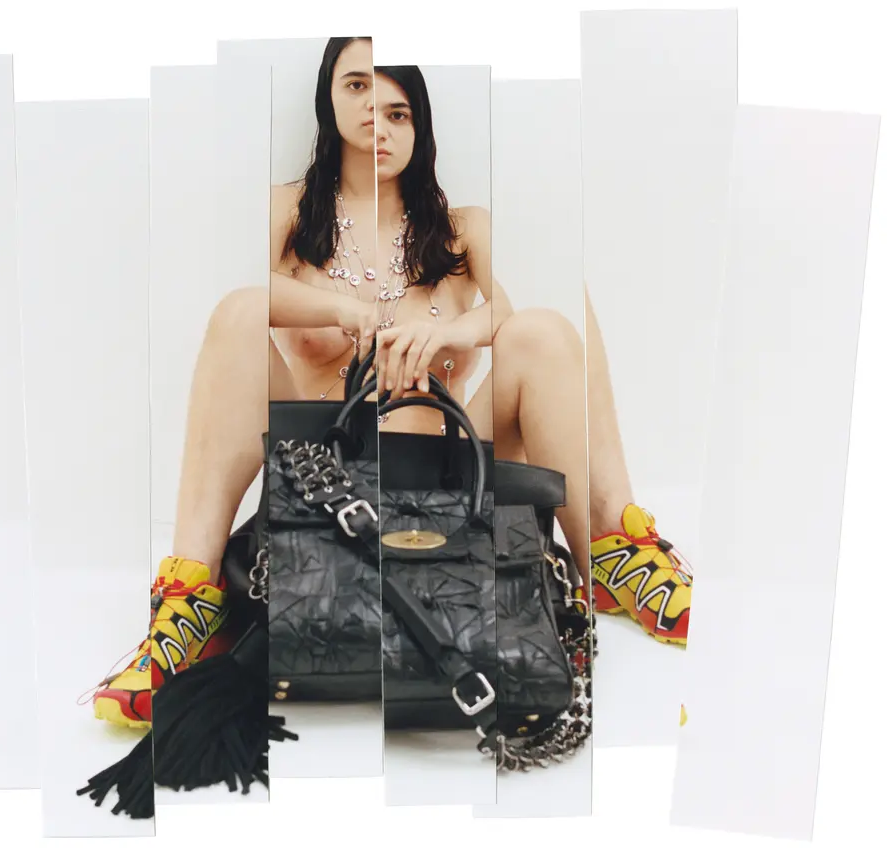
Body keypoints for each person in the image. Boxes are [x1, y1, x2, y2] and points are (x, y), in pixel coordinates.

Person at [90, 37, 691, 729]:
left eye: (398, 110)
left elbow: (516, 311)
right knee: (238, 317)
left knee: (551, 322)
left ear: (419, 126)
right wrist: (346, 312)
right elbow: (239, 294)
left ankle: (613, 555)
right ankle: (188, 603)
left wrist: (449, 331)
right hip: (328, 482)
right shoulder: (289, 214)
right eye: (357, 89)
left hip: (453, 478)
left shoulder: (462, 230)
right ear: (328, 99)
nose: (378, 119)